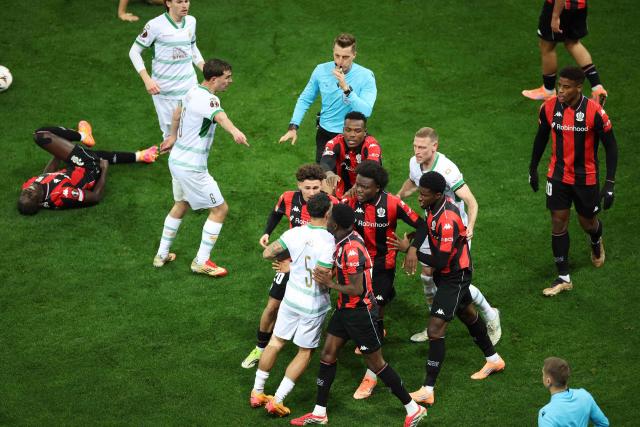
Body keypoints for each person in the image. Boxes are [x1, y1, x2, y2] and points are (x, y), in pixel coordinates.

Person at [290, 203, 427, 427]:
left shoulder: (351, 249)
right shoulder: (342, 240)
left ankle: (413, 408)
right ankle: (319, 412)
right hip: (345, 310)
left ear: (335, 224)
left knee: (376, 363)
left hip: (360, 312)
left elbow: (357, 289)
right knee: (328, 354)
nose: (327, 219)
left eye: (329, 218)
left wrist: (329, 283)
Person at [392, 171, 505, 407]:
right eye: (420, 193)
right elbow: (427, 228)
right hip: (449, 274)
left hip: (455, 275)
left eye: (423, 195)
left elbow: (441, 261)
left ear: (437, 194)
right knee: (467, 313)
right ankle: (493, 359)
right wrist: (414, 244)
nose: (419, 199)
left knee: (435, 330)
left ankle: (427, 389)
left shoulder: (447, 219)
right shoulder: (434, 204)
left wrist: (408, 249)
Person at [395, 127, 501, 345]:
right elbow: (414, 181)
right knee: (427, 275)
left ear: (435, 146)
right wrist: (397, 197)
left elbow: (471, 201)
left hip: (454, 231)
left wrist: (469, 226)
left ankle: (491, 315)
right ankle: (433, 319)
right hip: (433, 227)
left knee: (452, 280)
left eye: (422, 147)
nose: (417, 151)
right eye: (415, 146)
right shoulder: (414, 163)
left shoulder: (448, 170)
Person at [153, 58, 248, 277]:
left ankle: (161, 254)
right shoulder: (210, 100)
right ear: (214, 79)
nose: (230, 81)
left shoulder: (191, 90)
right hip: (192, 167)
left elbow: (177, 113)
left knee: (181, 204)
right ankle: (201, 261)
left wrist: (172, 136)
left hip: (176, 161)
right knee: (220, 209)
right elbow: (221, 117)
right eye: (227, 77)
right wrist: (234, 131)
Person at [528, 66, 617, 296]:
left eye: (566, 87)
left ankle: (596, 239)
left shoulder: (595, 112)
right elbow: (541, 138)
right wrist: (533, 168)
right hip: (557, 175)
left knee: (588, 223)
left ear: (579, 87)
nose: (560, 90)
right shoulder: (548, 108)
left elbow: (611, 147)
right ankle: (563, 276)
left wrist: (609, 184)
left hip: (585, 178)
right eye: (559, 85)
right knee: (558, 222)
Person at [341, 161, 426, 400]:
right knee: (358, 308)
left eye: (364, 187)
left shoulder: (392, 203)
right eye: (357, 184)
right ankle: (385, 299)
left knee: (374, 311)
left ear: (378, 187)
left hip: (381, 267)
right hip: (355, 265)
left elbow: (422, 225)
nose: (358, 190)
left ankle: (371, 375)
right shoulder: (350, 201)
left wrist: (411, 249)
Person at [241, 164, 337, 369]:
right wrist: (267, 232)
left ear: (322, 186)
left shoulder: (330, 204)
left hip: (313, 266)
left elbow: (338, 234)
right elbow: (276, 213)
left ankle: (303, 343)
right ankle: (260, 347)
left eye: (316, 188)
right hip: (287, 260)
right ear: (299, 185)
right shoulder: (288, 198)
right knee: (272, 305)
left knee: (309, 306)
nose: (312, 193)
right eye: (307, 188)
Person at [248, 193, 335, 418]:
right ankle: (277, 400)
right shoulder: (329, 240)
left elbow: (268, 252)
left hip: (291, 298)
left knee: (275, 342)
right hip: (312, 304)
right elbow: (322, 275)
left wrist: (289, 263)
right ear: (327, 213)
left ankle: (257, 392)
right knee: (305, 351)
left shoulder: (293, 233)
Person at [18, 121, 158, 215]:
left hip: (75, 168)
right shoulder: (62, 195)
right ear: (40, 202)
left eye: (24, 194)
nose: (27, 191)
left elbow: (47, 175)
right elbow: (95, 197)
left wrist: (59, 152)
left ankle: (141, 156)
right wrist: (104, 170)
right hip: (90, 169)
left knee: (92, 154)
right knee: (41, 135)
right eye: (30, 196)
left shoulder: (30, 185)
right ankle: (83, 135)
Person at [278, 33, 377, 163]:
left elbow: (366, 111)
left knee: (352, 181)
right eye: (337, 55)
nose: (340, 61)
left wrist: (346, 89)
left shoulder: (366, 76)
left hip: (353, 137)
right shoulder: (320, 71)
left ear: (354, 55)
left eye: (345, 57)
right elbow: (305, 99)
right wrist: (293, 127)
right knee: (324, 179)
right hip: (325, 135)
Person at [129, 0, 205, 138]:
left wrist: (203, 67)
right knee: (171, 136)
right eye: (179, 1)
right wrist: (147, 80)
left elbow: (192, 47)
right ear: (168, 3)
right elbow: (134, 52)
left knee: (193, 131)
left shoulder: (191, 21)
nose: (185, 5)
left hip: (190, 87)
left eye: (187, 1)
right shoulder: (155, 25)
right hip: (165, 92)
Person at [522, 0, 607, 105]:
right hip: (579, 5)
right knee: (573, 43)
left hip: (559, 6)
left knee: (547, 45)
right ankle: (597, 87)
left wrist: (555, 16)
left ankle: (548, 90)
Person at [320, 111, 381, 198]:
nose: (352, 135)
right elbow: (324, 162)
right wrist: (329, 173)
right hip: (342, 190)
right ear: (343, 130)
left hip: (367, 190)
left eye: (357, 131)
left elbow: (372, 169)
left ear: (365, 132)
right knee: (323, 183)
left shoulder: (372, 145)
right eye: (348, 130)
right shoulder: (334, 142)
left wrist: (358, 185)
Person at [538, 357, 609, 426]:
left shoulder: (546, 414)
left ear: (548, 381)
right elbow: (603, 423)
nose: (542, 377)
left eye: (543, 374)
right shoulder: (584, 395)